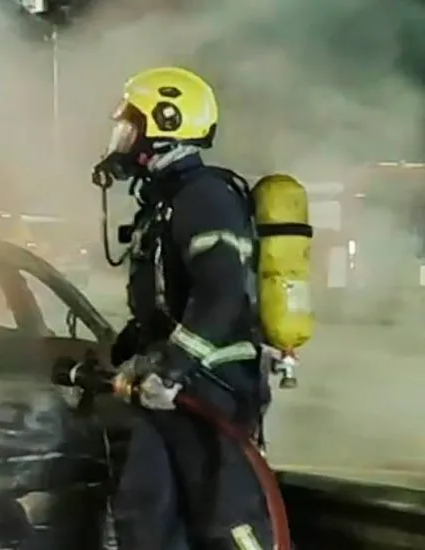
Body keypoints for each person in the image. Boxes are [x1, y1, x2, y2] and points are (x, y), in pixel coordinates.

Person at [95, 66, 273, 549]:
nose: (120, 135)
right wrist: (130, 354)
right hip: (176, 388)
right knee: (145, 513)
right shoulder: (167, 202)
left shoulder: (204, 198)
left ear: (164, 124)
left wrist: (172, 369)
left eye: (130, 124)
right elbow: (162, 300)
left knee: (227, 518)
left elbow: (221, 291)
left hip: (213, 387)